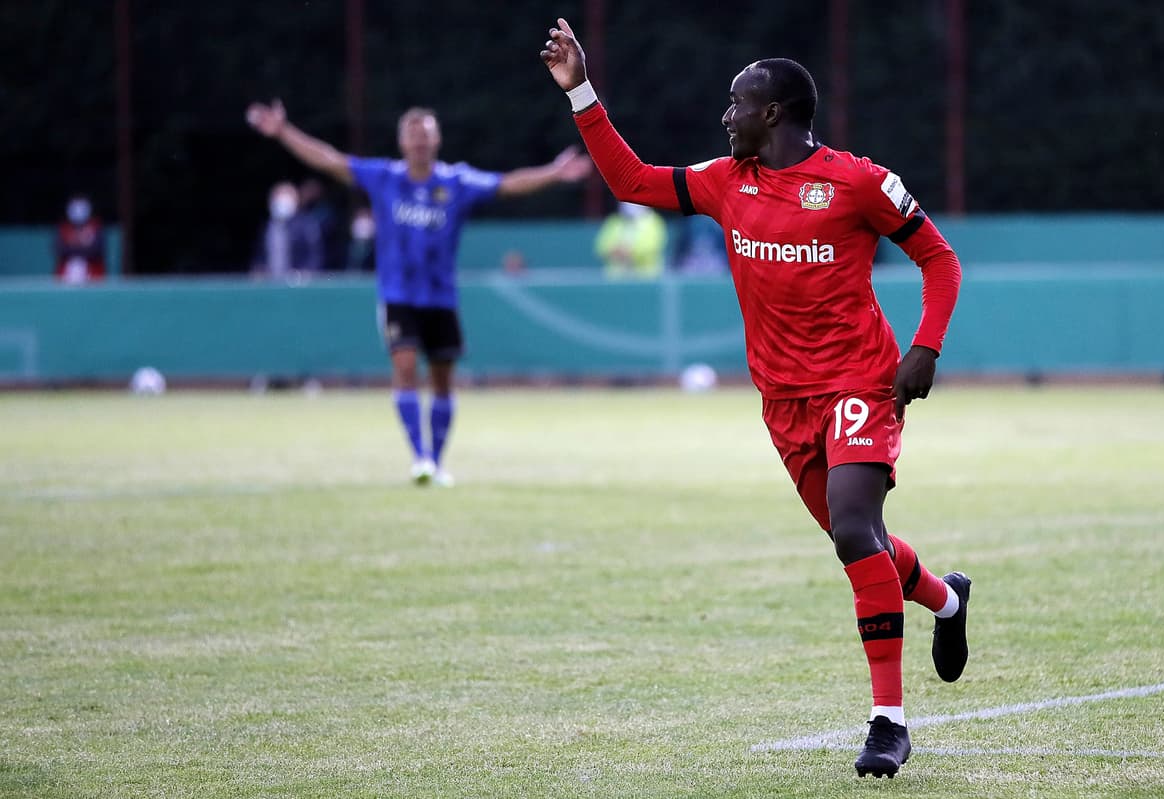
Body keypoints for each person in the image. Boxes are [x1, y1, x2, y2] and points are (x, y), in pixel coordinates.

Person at [541, 19, 968, 778]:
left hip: (860, 382)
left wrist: (925, 347)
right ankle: (944, 600)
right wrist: (580, 90)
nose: (726, 114)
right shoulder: (723, 181)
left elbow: (938, 256)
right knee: (860, 539)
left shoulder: (859, 182)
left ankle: (888, 721)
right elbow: (633, 181)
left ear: (774, 113)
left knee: (851, 529)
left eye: (737, 102)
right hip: (782, 401)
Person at [246, 99, 593, 485]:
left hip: (441, 298)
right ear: (402, 142)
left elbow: (507, 184)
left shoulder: (455, 183)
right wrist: (283, 131)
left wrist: (554, 173)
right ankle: (420, 458)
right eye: (413, 135)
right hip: (398, 296)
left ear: (437, 140)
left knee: (443, 380)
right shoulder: (384, 178)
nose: (420, 142)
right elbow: (329, 160)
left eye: (426, 135)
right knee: (406, 366)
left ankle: (437, 460)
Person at [250, 181, 325, 279]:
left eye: (285, 197)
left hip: (297, 282)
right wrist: (258, 271)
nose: (281, 202)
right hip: (270, 281)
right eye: (277, 198)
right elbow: (260, 255)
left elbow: (315, 256)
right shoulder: (267, 226)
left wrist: (305, 274)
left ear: (295, 200)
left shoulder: (306, 224)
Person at [594, 200, 667, 279]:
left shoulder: (654, 221)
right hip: (616, 278)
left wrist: (628, 252)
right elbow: (601, 246)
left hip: (646, 278)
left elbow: (652, 247)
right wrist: (614, 251)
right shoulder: (614, 221)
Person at [54, 193, 107, 284]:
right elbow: (61, 250)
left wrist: (72, 246)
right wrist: (84, 246)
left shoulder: (96, 226)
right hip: (65, 277)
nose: (78, 210)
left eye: (81, 207)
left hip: (93, 276)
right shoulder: (63, 228)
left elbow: (96, 250)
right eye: (75, 207)